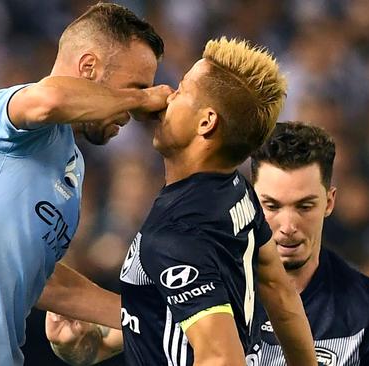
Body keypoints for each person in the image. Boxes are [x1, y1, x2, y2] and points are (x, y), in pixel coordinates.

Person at [0, 3, 173, 366]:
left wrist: (156, 318)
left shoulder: (71, 166)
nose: (135, 109)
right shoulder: (4, 116)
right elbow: (50, 99)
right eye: (134, 87)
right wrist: (142, 98)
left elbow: (47, 280)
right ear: (88, 67)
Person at [46, 37, 317, 366]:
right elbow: (280, 295)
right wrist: (91, 343)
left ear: (206, 122)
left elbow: (221, 358)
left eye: (181, 90)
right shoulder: (234, 191)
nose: (166, 95)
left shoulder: (177, 236)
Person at [250, 121, 369, 366]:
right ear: (251, 202)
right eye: (272, 206)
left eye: (305, 206)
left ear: (329, 202)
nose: (288, 226)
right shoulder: (212, 292)